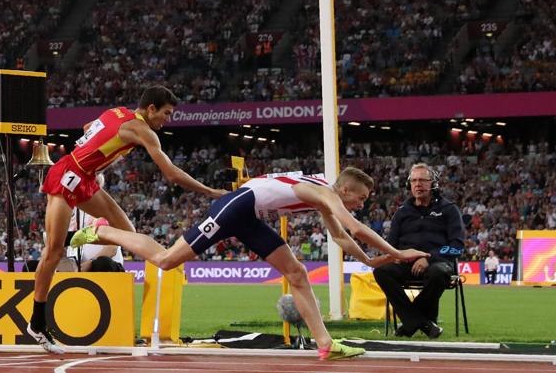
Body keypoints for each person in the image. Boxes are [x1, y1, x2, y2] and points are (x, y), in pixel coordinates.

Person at [71, 168, 429, 360]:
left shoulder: (323, 193)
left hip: (249, 215)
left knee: (297, 273)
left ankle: (325, 344)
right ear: (346, 191)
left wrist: (368, 259)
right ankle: (105, 232)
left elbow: (340, 237)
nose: (361, 204)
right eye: (361, 198)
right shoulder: (325, 193)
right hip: (235, 207)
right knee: (166, 259)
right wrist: (398, 254)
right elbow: (354, 226)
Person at [27, 85, 226, 354]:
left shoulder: (117, 112)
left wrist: (96, 154)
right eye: (166, 114)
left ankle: (82, 235)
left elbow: (89, 126)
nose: (168, 120)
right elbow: (172, 175)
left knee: (126, 230)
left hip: (85, 179)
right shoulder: (142, 130)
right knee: (52, 252)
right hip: (67, 177)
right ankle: (37, 323)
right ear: (151, 108)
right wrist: (211, 191)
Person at [373, 163, 464, 339]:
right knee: (381, 272)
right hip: (406, 264)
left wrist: (429, 259)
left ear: (433, 184)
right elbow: (391, 245)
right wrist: (395, 256)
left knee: (438, 272)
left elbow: (457, 245)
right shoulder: (401, 212)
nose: (417, 184)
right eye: (414, 180)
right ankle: (424, 323)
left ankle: (410, 322)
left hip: (438, 263)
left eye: (422, 180)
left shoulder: (449, 210)